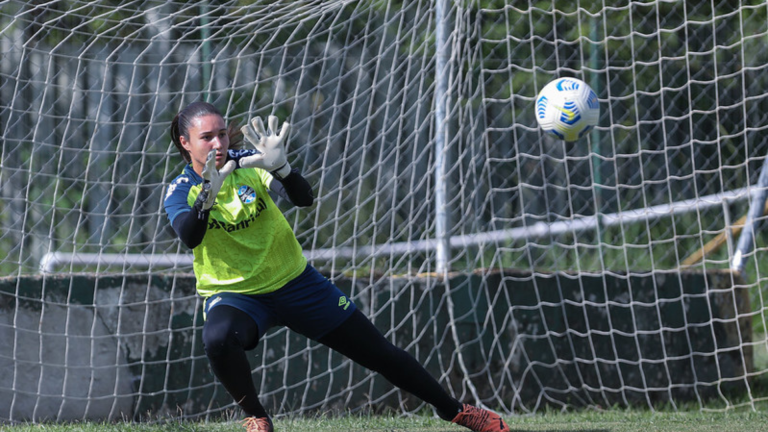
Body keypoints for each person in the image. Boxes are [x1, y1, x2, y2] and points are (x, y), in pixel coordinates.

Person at [163, 101, 509, 432]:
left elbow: (303, 198)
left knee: (380, 354)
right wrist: (207, 196)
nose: (218, 143)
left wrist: (282, 169)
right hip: (237, 295)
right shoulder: (181, 189)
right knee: (217, 338)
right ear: (185, 142)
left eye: (222, 134)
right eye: (207, 137)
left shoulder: (246, 165)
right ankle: (257, 417)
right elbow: (190, 237)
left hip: (296, 283)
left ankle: (457, 411)